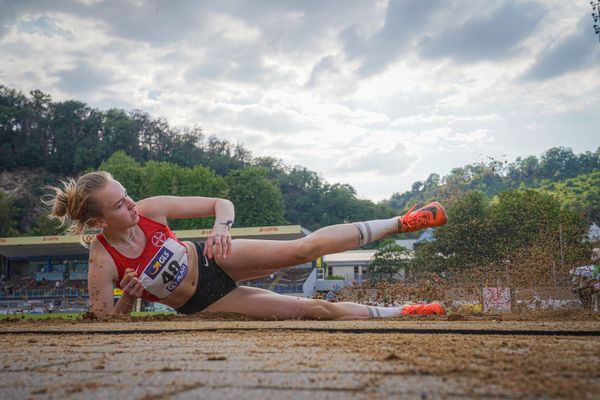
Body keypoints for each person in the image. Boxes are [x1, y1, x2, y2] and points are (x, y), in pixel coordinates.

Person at [44, 171, 447, 320]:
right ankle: (405, 311)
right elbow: (104, 322)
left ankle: (401, 221)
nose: (132, 204)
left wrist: (221, 226)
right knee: (314, 310)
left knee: (300, 250)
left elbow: (222, 203)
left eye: (127, 194)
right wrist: (129, 300)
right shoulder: (102, 258)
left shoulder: (151, 210)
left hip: (212, 255)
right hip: (206, 301)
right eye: (120, 204)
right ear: (99, 222)